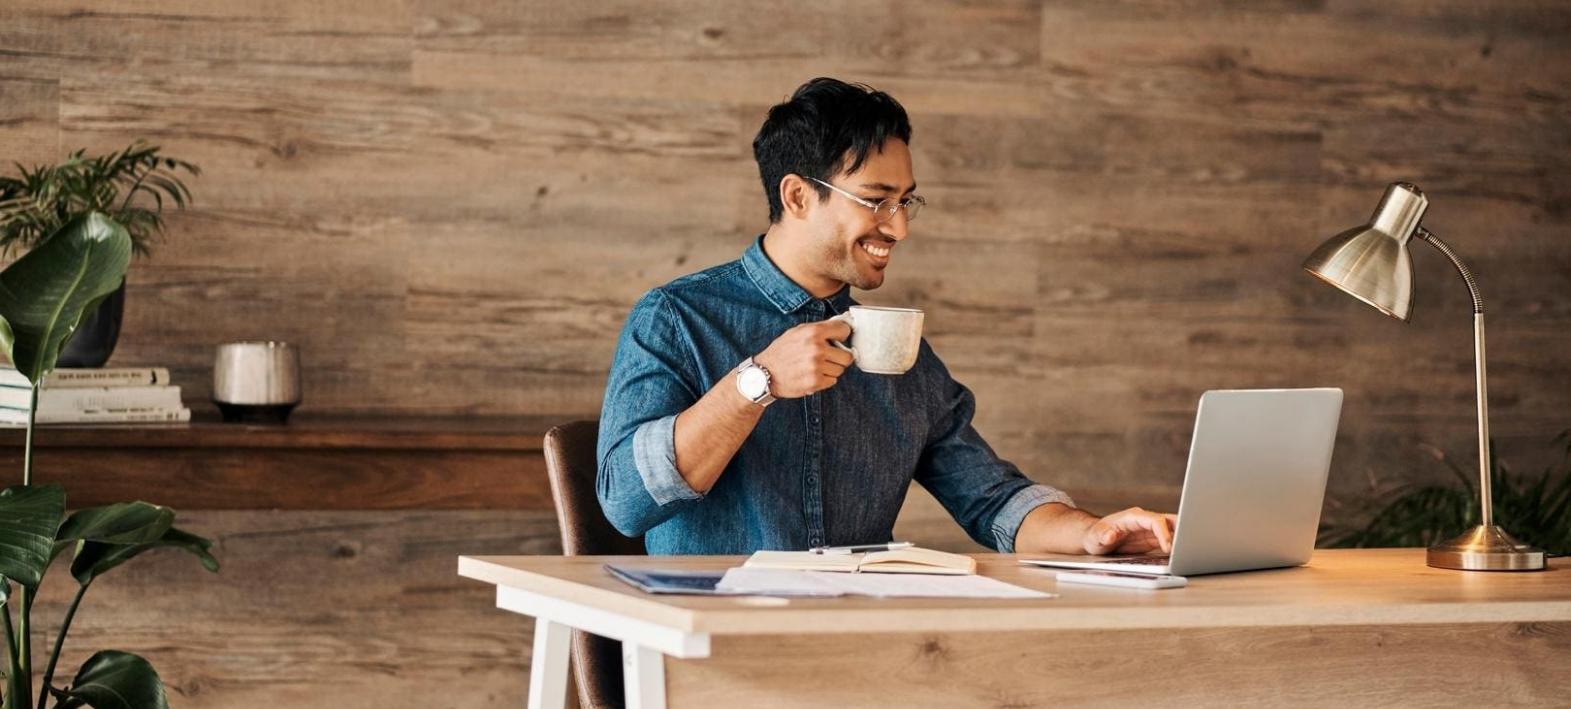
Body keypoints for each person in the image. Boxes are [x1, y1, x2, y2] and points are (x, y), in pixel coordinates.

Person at [597, 77, 1175, 556]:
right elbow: (624, 503)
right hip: (708, 650)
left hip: (854, 647)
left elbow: (992, 500)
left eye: (905, 202)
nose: (899, 227)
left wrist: (1094, 533)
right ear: (797, 196)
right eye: (877, 201)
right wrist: (758, 382)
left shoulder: (895, 347)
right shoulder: (678, 317)